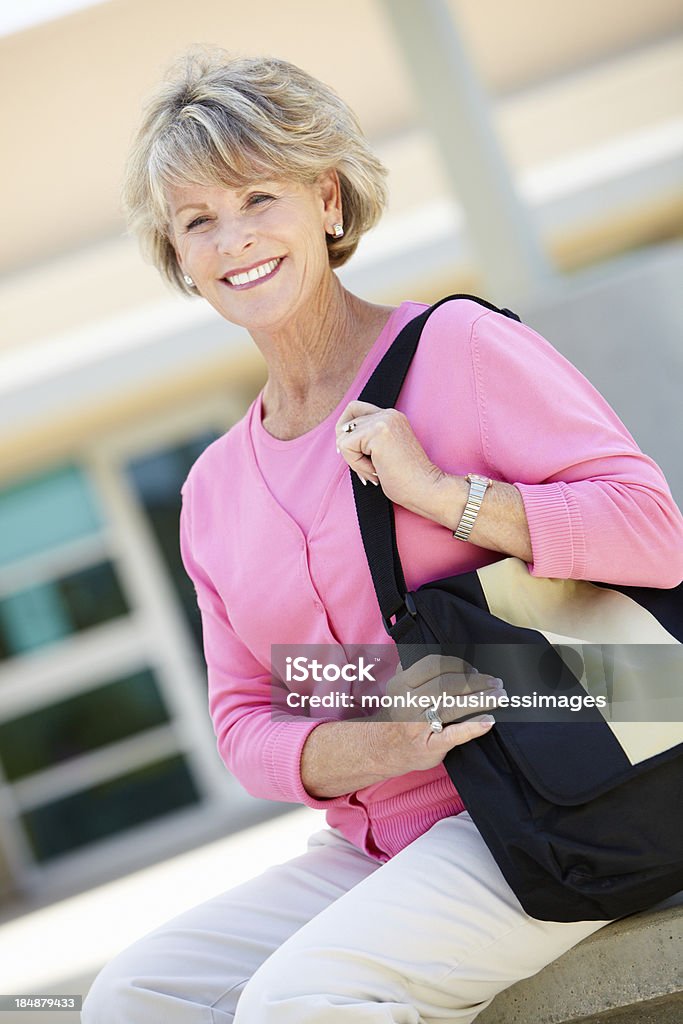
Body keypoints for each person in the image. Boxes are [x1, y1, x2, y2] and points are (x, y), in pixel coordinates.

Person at [82, 49, 683, 1023]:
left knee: (305, 998)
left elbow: (654, 536)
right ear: (178, 257)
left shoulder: (459, 351)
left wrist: (445, 495)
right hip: (373, 837)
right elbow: (244, 715)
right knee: (132, 994)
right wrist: (367, 746)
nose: (233, 240)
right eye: (198, 221)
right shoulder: (213, 490)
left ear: (326, 198)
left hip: (552, 797)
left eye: (256, 197)